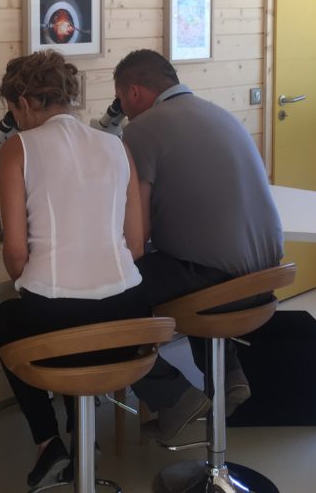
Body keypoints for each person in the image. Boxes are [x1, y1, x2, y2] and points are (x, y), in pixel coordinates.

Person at [0, 50, 146, 488]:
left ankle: (48, 442)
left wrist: (34, 279)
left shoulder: (17, 148)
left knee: (10, 318)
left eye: (12, 112)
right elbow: (135, 245)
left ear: (22, 103)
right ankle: (83, 435)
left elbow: (17, 254)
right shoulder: (117, 144)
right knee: (65, 320)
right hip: (132, 318)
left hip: (59, 325)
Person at [113, 49, 284, 444]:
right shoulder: (218, 113)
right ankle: (229, 377)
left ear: (134, 93)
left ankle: (171, 396)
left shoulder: (141, 130)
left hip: (217, 282)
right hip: (266, 277)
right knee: (182, 264)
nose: (120, 110)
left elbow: (135, 240)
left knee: (111, 293)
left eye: (120, 100)